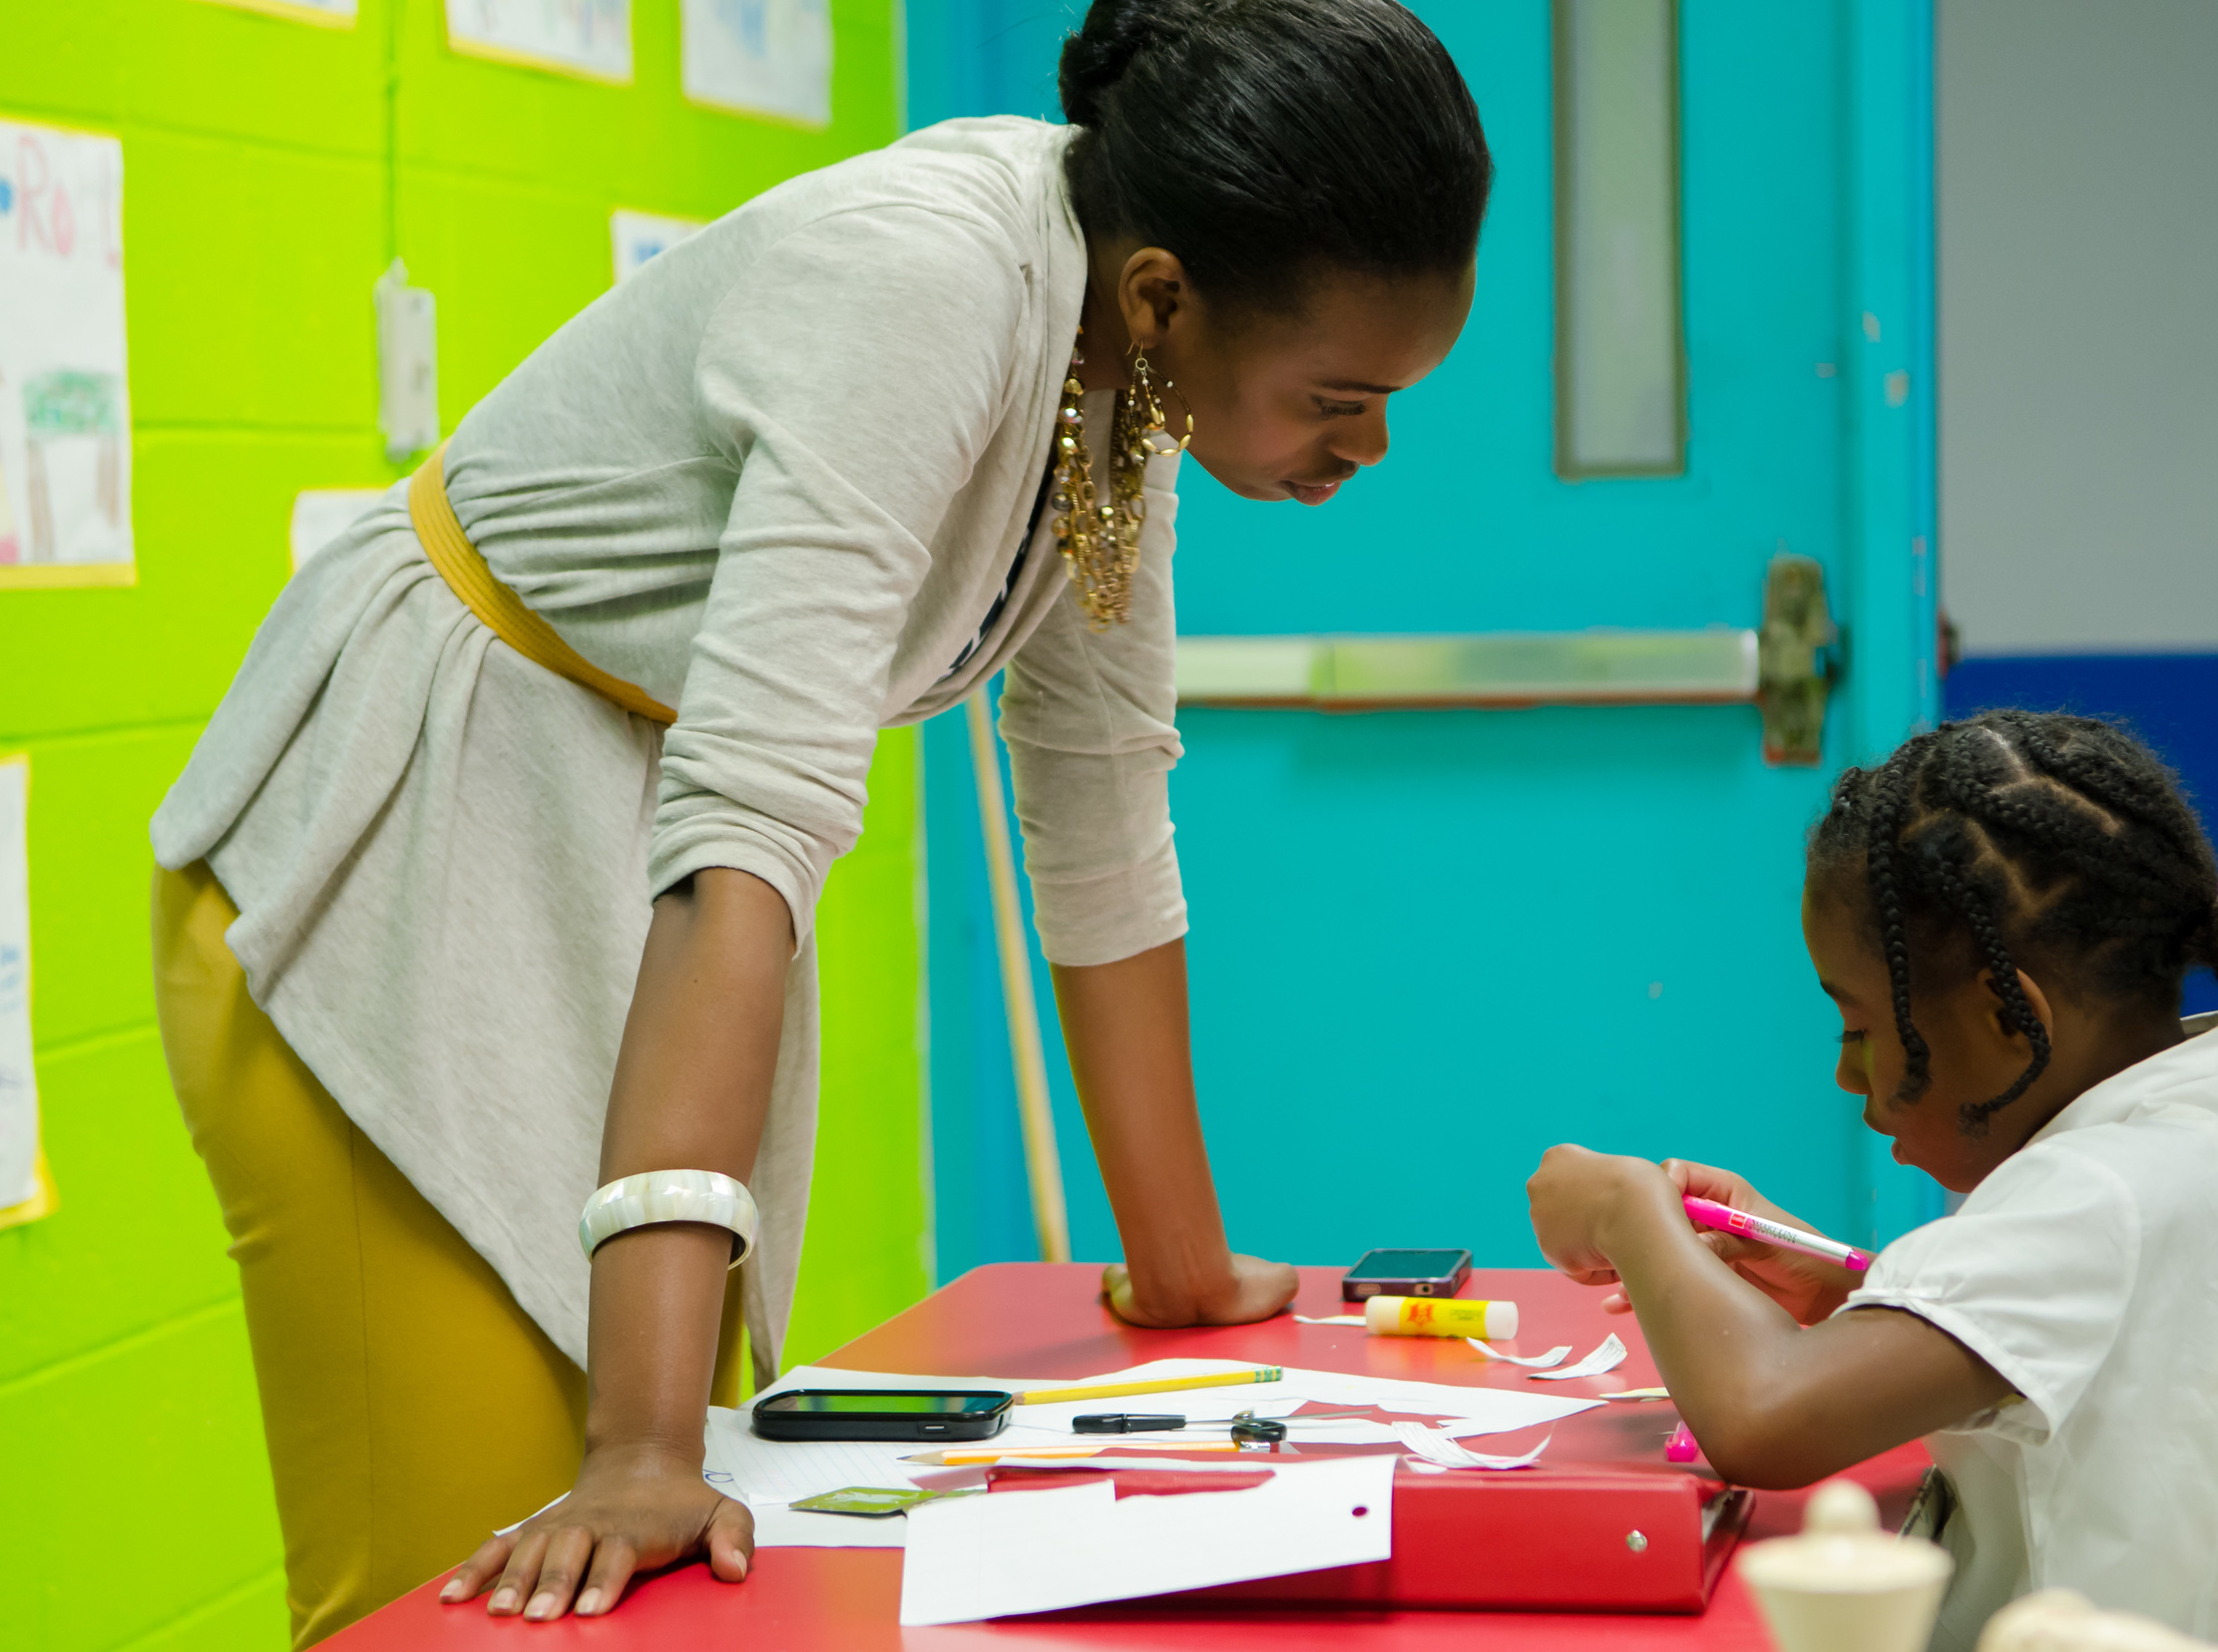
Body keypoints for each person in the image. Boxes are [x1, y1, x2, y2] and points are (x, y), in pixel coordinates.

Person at [148, 0, 1491, 1638]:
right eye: (1341, 395)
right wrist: (646, 1444)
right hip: (410, 847)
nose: (1370, 446)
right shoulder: (926, 285)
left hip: (624, 852)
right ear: (1167, 296)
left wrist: (1186, 1270)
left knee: (641, 1572)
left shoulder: (1121, 364)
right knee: (477, 1594)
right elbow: (751, 823)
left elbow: (1095, 780)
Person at [1528, 710, 2218, 1651]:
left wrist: (1626, 1210)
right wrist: (1856, 1291)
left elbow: (1763, 1419)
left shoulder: (2101, 1192)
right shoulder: (2209, 1108)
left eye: (1859, 1028)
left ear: (2008, 1019)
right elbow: (2084, 1329)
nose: (1845, 1074)